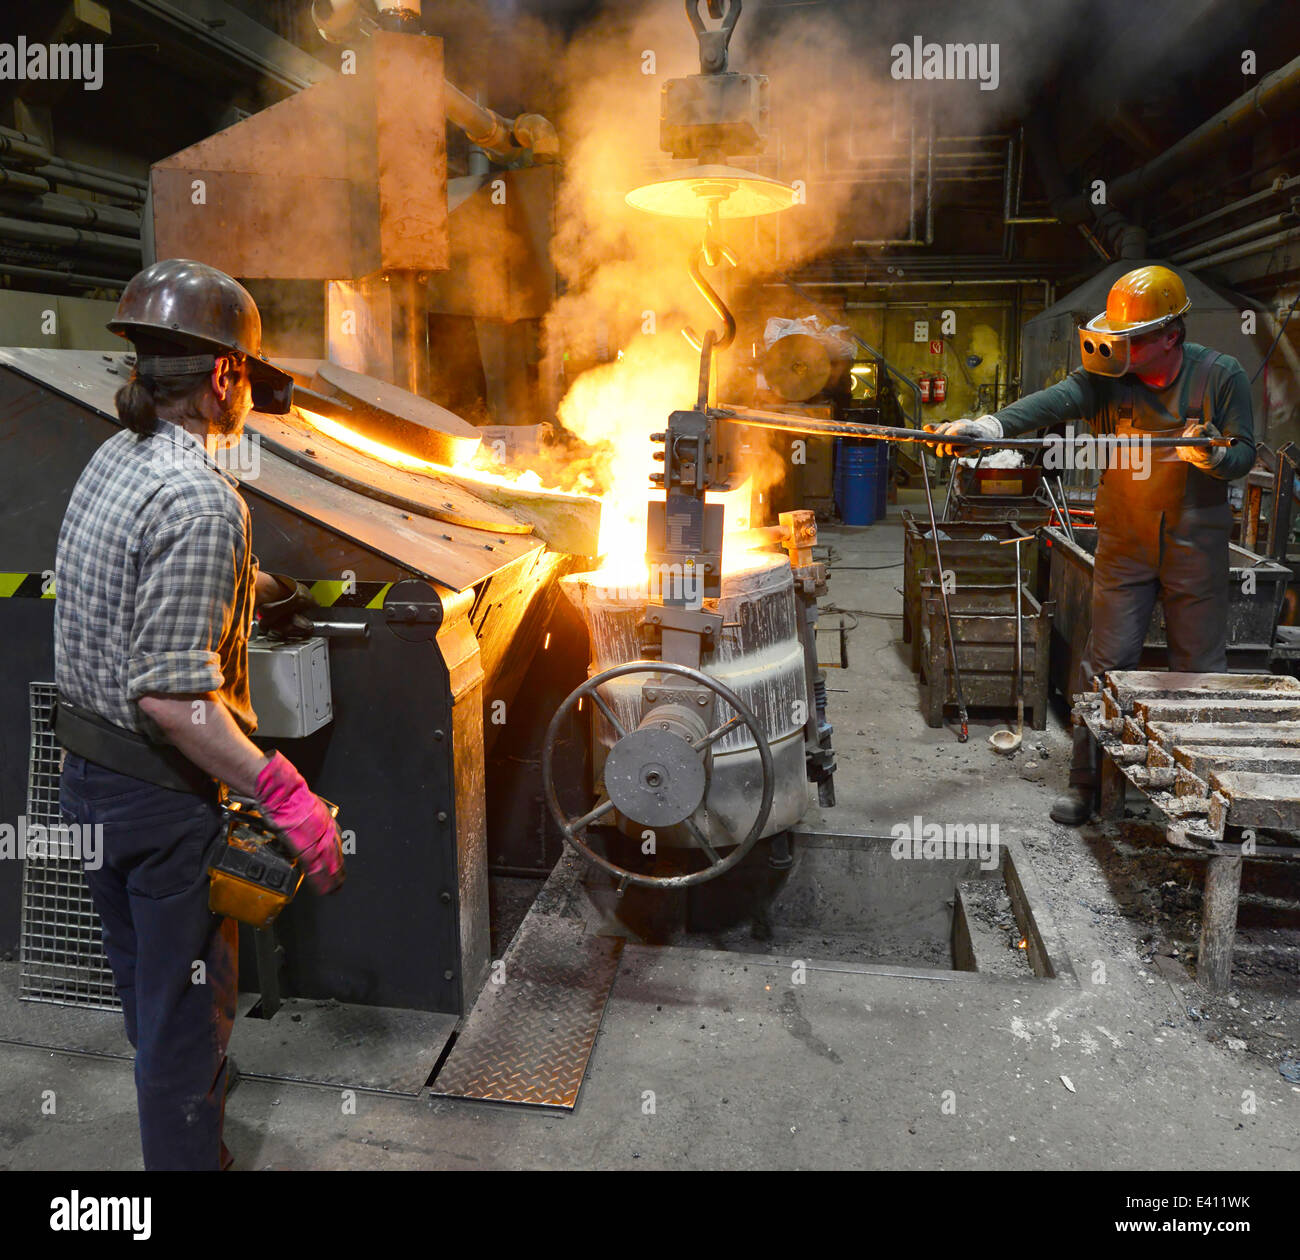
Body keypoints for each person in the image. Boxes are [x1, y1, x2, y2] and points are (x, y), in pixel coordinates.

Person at [54, 258, 345, 1170]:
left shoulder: (116, 455)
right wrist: (284, 790)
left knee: (151, 998)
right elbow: (173, 701)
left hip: (90, 784)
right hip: (157, 804)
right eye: (247, 378)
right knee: (186, 1024)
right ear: (224, 376)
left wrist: (251, 591)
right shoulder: (201, 498)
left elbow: (131, 580)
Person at [927, 265, 1255, 824]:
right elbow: (1050, 402)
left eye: (1133, 337)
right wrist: (988, 428)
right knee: (1103, 666)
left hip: (1194, 547)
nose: (1118, 345)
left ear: (1169, 336)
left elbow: (1247, 452)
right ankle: (1089, 786)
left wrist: (1219, 458)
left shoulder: (1220, 377)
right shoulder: (1104, 377)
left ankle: (1196, 798)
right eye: (1116, 333)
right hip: (1124, 542)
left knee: (1196, 672)